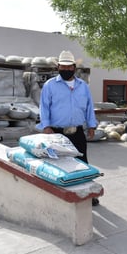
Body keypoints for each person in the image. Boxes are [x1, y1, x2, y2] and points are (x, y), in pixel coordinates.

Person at [37, 50, 100, 206]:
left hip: (77, 132)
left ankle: (88, 194)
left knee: (82, 163)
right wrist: (46, 126)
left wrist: (91, 125)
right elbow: (44, 107)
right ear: (58, 67)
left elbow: (89, 107)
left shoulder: (83, 86)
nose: (66, 70)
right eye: (62, 67)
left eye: (69, 67)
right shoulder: (50, 86)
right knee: (58, 165)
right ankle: (61, 195)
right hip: (56, 133)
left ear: (74, 67)